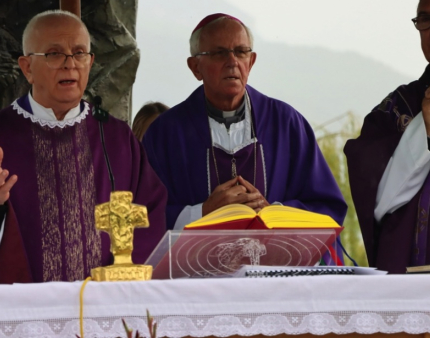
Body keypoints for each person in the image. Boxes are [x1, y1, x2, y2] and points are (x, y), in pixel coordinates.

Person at [0, 10, 167, 286]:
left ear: (90, 62)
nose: (70, 65)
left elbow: (150, 214)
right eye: (54, 54)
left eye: (79, 53)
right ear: (27, 67)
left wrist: (121, 287)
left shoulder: (116, 137)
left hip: (105, 308)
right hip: (24, 311)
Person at [142, 13, 347, 239]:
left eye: (241, 52)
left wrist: (272, 214)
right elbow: (142, 215)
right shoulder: (165, 134)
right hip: (198, 272)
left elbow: (327, 209)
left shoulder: (286, 124)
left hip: (274, 269)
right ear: (195, 67)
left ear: (251, 61)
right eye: (219, 53)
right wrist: (202, 213)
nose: (232, 62)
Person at [344, 0, 430, 274]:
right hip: (413, 278)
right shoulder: (398, 108)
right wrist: (423, 129)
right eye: (425, 19)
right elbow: (377, 204)